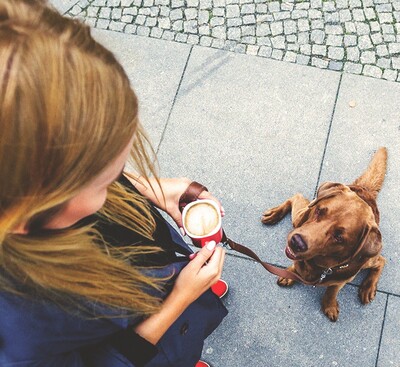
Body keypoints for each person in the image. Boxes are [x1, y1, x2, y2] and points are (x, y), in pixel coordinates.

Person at [0, 0, 228, 366]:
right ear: (24, 214)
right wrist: (176, 302)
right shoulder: (23, 332)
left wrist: (154, 189)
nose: (121, 181)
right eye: (108, 180)